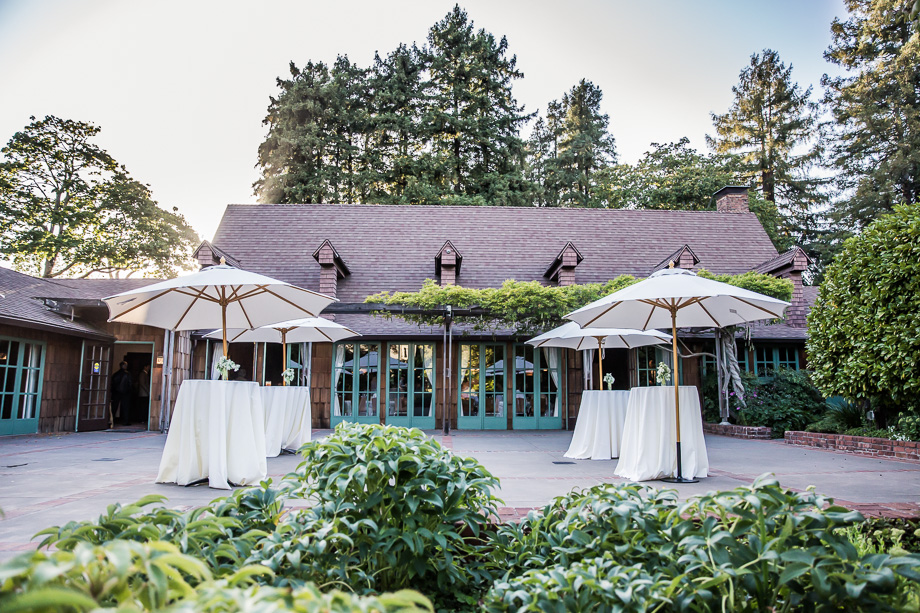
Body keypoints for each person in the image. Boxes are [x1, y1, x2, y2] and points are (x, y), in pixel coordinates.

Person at [110, 361, 133, 427]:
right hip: (125, 393)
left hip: (116, 392)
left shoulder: (115, 374)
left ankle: (112, 420)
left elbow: (112, 384)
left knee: (114, 407)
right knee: (125, 407)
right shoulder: (128, 374)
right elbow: (130, 383)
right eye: (126, 365)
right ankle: (126, 421)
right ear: (123, 366)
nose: (126, 366)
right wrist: (129, 390)